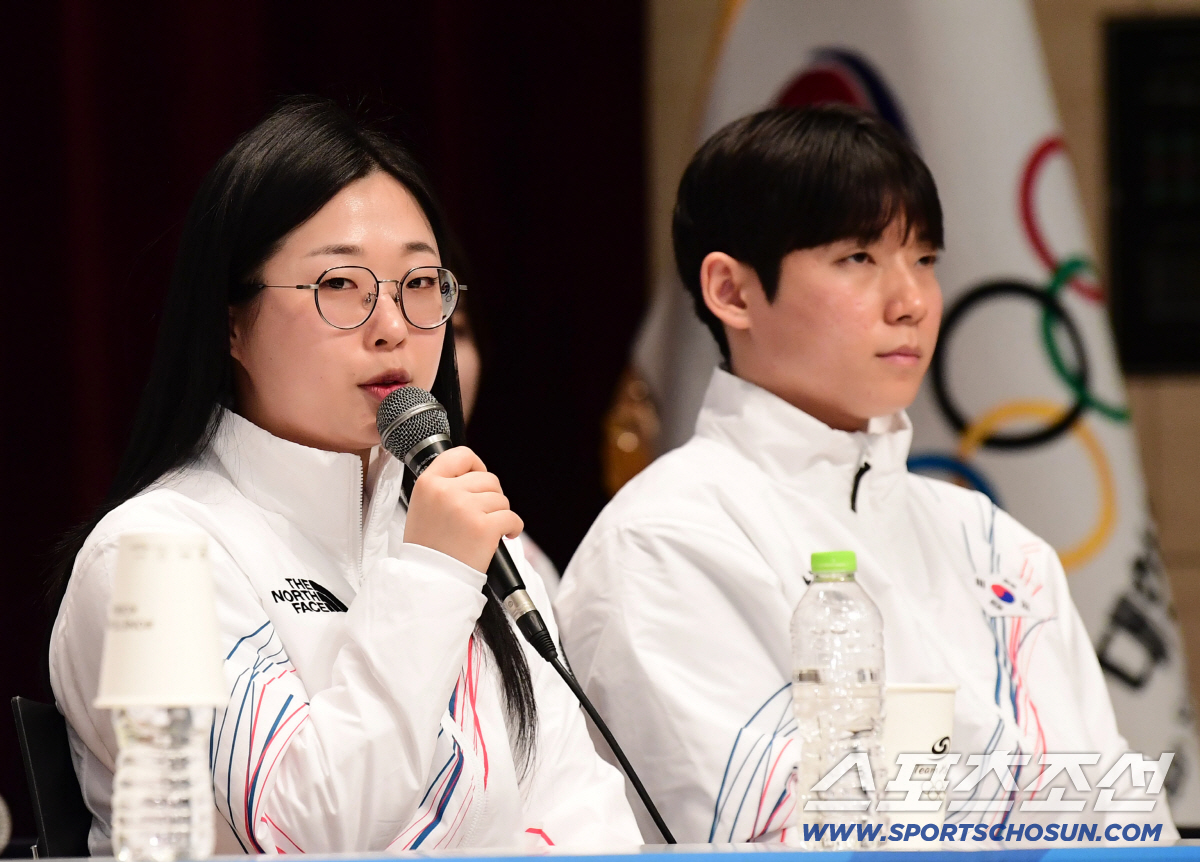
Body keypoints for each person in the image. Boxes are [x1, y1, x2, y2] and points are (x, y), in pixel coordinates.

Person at [554, 105, 1176, 845]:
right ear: (732, 291)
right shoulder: (663, 542)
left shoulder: (997, 547)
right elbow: (763, 836)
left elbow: (1127, 828)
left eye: (924, 260)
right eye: (859, 258)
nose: (910, 301)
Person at [49, 97, 641, 855]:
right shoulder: (152, 555)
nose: (392, 324)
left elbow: (583, 813)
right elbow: (306, 837)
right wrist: (429, 578)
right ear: (230, 320)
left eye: (422, 284)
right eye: (339, 286)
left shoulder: (482, 547)